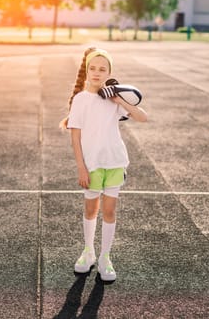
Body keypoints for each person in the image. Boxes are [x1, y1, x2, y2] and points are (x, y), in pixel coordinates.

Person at [59, 47, 147, 281]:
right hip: (92, 165)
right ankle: (88, 252)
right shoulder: (80, 100)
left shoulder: (112, 100)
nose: (97, 73)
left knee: (109, 211)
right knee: (91, 209)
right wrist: (81, 167)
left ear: (109, 72)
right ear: (87, 71)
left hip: (115, 162)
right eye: (93, 68)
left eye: (103, 69)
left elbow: (142, 117)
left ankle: (105, 257)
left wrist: (118, 98)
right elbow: (75, 135)